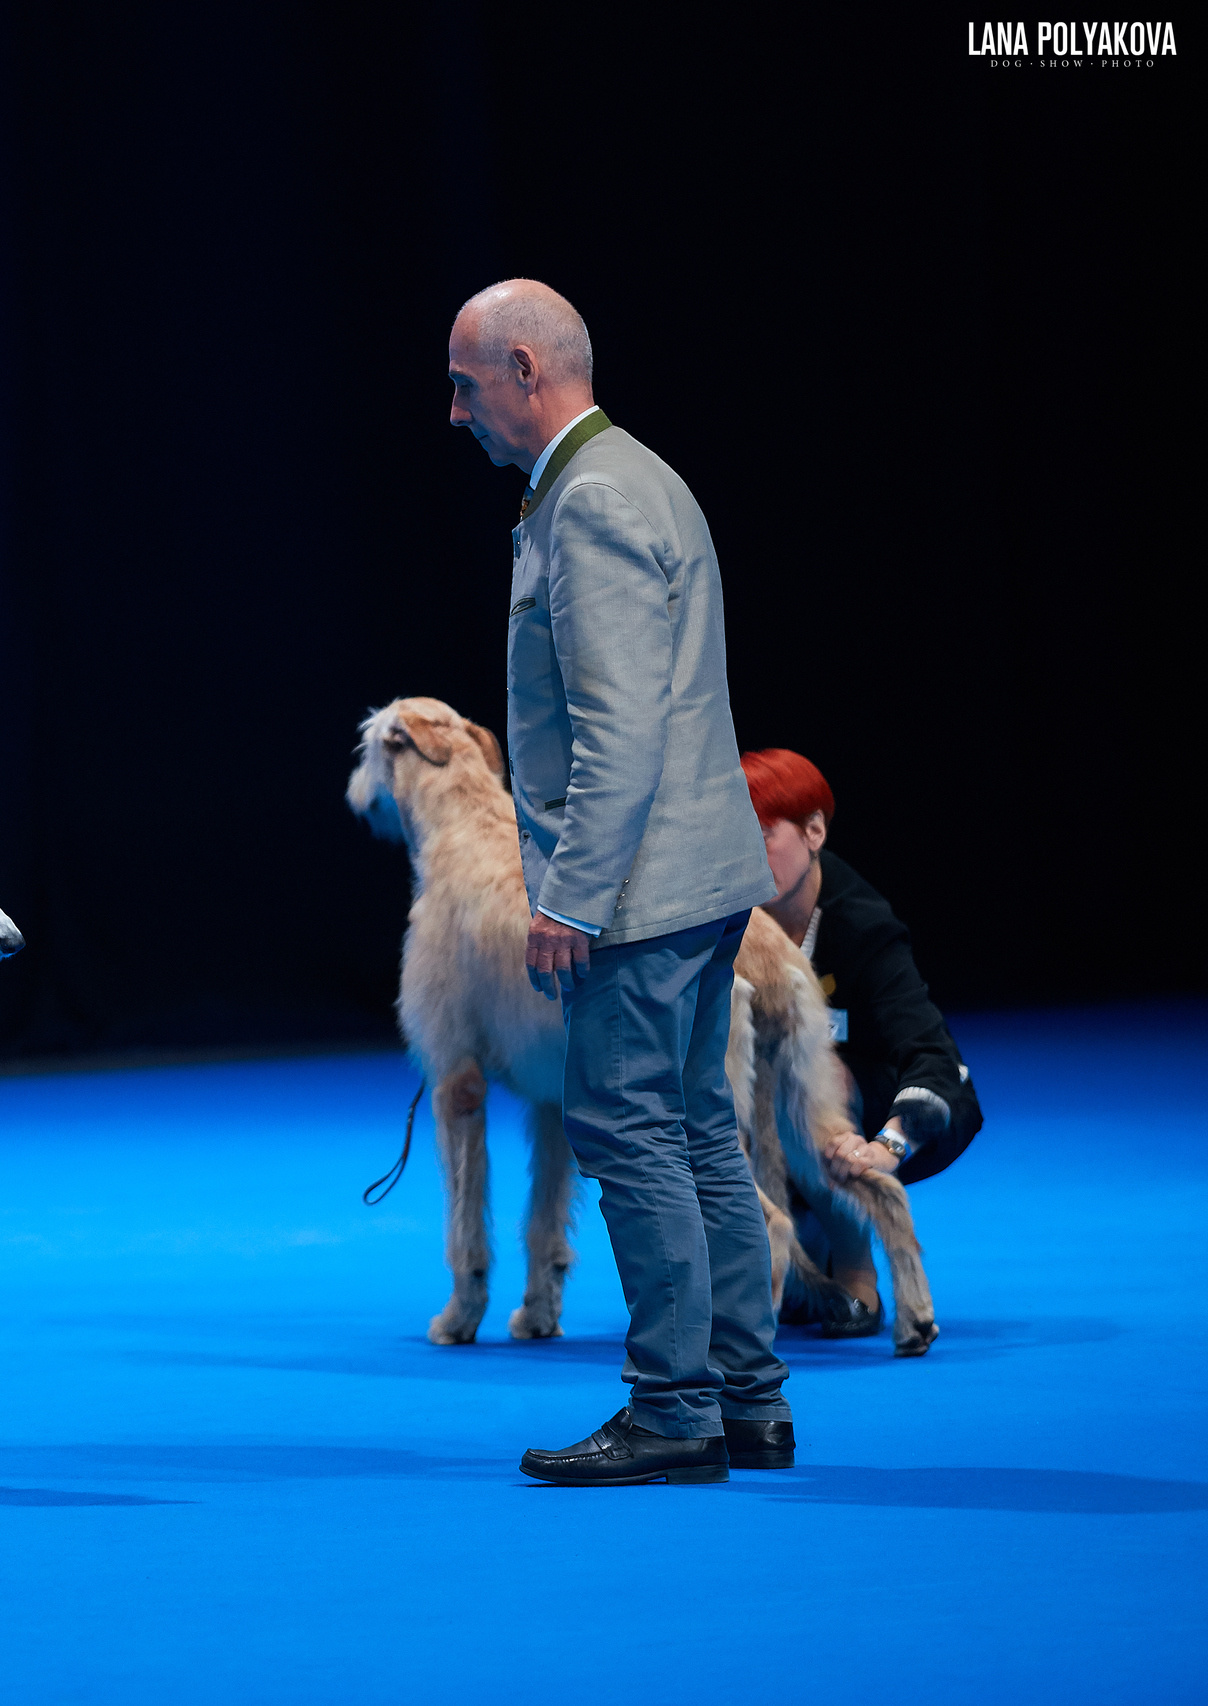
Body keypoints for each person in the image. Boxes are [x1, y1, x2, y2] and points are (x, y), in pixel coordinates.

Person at [448, 279, 792, 1485]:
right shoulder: (642, 474)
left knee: (632, 1133)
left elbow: (618, 730)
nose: (456, 410)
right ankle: (745, 1398)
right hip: (703, 880)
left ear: (527, 370)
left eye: (466, 382)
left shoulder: (588, 498)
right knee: (699, 1133)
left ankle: (672, 1409)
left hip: (637, 894)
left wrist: (568, 898)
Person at [745, 746, 982, 1335]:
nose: (745, 854)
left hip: (856, 1108)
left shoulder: (863, 927)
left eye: (763, 834)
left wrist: (885, 1149)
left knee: (817, 1075)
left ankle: (857, 1278)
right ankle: (792, 1255)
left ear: (815, 830)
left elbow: (935, 1060)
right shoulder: (723, 918)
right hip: (755, 1123)